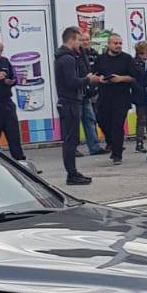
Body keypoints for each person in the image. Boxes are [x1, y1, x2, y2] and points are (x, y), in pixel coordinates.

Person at [54, 27, 94, 186]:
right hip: (70, 102)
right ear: (71, 40)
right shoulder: (68, 59)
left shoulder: (63, 57)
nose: (80, 44)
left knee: (72, 139)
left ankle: (73, 172)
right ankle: (72, 174)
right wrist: (87, 80)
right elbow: (71, 82)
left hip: (68, 102)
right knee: (71, 140)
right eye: (78, 40)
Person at [92, 33, 136, 164]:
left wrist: (120, 79)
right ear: (108, 44)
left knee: (117, 125)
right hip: (104, 96)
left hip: (121, 97)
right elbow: (94, 74)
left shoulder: (127, 59)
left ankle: (117, 155)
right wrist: (99, 79)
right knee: (102, 121)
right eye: (115, 43)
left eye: (120, 43)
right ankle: (111, 143)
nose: (118, 46)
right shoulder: (101, 59)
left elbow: (134, 77)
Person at [76, 26, 106, 155]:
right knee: (74, 122)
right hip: (77, 91)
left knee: (90, 118)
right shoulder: (75, 55)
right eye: (82, 39)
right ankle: (73, 148)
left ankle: (94, 147)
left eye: (87, 39)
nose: (85, 42)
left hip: (91, 91)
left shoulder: (93, 53)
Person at [130, 41, 147, 152]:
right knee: (142, 119)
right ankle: (139, 142)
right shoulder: (135, 63)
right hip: (140, 95)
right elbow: (135, 80)